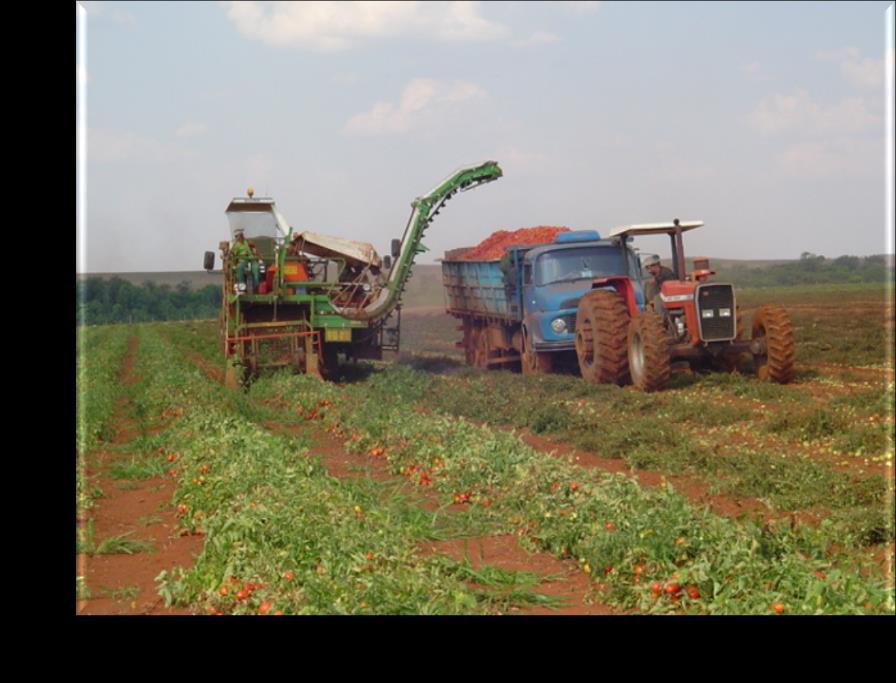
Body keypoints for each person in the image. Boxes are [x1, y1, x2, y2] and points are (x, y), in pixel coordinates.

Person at [230, 228, 260, 294]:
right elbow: (232, 255)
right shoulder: (236, 245)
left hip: (252, 260)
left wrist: (258, 256)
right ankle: (242, 287)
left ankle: (255, 287)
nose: (239, 237)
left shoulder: (247, 242)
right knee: (240, 268)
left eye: (241, 235)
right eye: (237, 236)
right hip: (243, 261)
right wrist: (234, 264)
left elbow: (255, 249)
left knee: (257, 268)